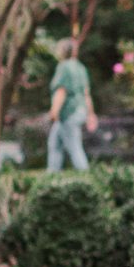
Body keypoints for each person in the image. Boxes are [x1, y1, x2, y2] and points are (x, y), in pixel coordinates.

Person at [46, 35, 93, 172]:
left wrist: (54, 111)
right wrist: (90, 114)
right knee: (55, 143)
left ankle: (85, 176)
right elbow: (86, 94)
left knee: (74, 146)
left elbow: (61, 91)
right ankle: (52, 175)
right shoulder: (81, 68)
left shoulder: (64, 67)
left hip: (68, 113)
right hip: (80, 111)